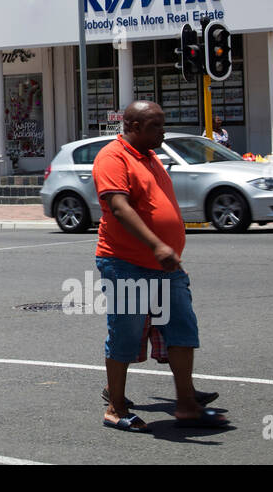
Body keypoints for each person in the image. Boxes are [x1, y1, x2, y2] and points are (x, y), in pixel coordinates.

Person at [92, 100, 229, 433]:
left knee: (182, 330)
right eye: (156, 125)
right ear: (134, 126)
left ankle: (186, 404)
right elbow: (120, 208)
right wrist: (156, 244)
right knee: (125, 334)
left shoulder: (151, 158)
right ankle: (116, 406)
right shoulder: (112, 157)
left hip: (166, 267)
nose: (163, 131)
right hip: (126, 263)